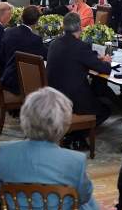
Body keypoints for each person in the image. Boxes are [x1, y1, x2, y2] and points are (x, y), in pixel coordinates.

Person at [0, 87, 106, 210]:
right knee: (84, 203)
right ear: (63, 123)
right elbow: (84, 197)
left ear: (25, 117)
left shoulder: (6, 152)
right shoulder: (74, 160)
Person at [45, 12, 113, 141]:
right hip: (72, 100)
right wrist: (106, 61)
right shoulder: (80, 47)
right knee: (106, 108)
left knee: (98, 92)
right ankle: (76, 136)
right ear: (80, 27)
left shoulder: (55, 43)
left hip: (53, 94)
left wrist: (95, 57)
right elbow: (104, 69)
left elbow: (76, 57)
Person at [0, 5, 48, 94]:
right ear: (37, 22)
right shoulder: (34, 39)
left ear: (22, 17)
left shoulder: (8, 32)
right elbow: (47, 56)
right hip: (21, 85)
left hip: (6, 77)